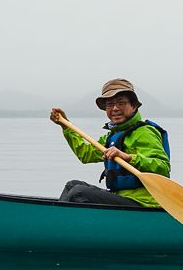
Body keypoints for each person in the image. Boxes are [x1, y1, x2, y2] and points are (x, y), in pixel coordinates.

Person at [49, 78, 170, 207]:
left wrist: (129, 157)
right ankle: (57, 220)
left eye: (121, 103)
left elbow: (163, 167)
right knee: (71, 185)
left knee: (79, 192)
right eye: (110, 104)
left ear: (134, 106)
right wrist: (66, 127)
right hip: (121, 197)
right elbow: (85, 154)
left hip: (144, 202)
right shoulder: (112, 136)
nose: (115, 108)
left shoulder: (145, 132)